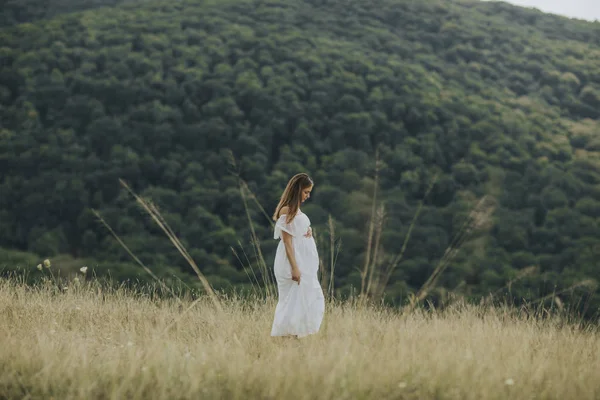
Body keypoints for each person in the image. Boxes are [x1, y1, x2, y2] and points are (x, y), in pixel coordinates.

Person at [270, 173, 325, 338]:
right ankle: (287, 337)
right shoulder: (286, 210)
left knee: (304, 299)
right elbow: (287, 242)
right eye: (306, 192)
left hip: (302, 261)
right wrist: (295, 268)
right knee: (292, 302)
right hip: (292, 262)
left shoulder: (296, 210)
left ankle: (294, 337)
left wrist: (307, 231)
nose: (308, 196)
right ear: (297, 190)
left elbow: (297, 230)